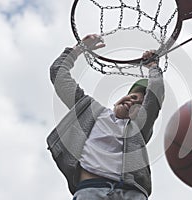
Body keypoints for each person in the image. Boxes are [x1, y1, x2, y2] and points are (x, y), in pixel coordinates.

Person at [47, 34, 165, 200]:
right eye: (132, 96)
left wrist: (153, 66)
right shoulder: (89, 109)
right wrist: (79, 49)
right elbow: (58, 73)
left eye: (139, 102)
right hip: (91, 189)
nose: (133, 100)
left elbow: (156, 93)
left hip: (131, 193)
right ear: (118, 99)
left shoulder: (137, 128)